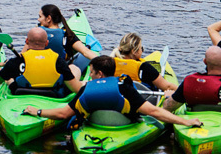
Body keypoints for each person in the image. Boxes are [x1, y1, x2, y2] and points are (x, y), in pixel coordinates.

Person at [22, 56, 200, 129]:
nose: (89, 76)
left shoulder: (86, 89)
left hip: (98, 127)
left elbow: (62, 114)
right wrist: (186, 121)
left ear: (99, 74)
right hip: (123, 125)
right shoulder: (124, 86)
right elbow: (154, 112)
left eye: (90, 72)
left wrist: (37, 111)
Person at [0, 27, 82, 97]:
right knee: (74, 69)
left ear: (27, 41)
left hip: (21, 93)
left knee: (9, 79)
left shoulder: (16, 61)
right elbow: (76, 88)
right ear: (47, 43)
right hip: (52, 95)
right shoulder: (58, 60)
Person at [163, 46, 221, 113]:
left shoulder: (190, 82)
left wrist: (168, 96)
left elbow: (168, 107)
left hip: (195, 121)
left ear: (204, 61)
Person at [109, 33, 175, 90]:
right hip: (139, 101)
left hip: (118, 98)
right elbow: (167, 86)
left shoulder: (109, 63)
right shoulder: (144, 67)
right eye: (141, 48)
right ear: (134, 51)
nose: (142, 51)